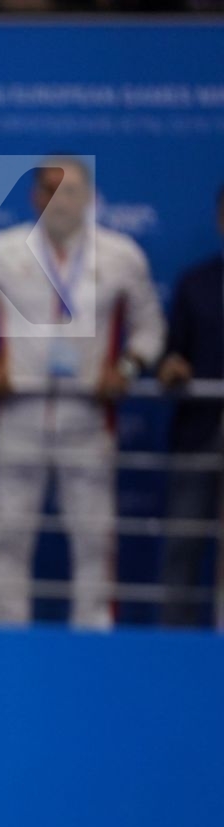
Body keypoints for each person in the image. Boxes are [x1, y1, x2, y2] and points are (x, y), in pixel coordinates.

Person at [0, 158, 164, 630]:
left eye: (70, 190)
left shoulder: (121, 254)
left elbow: (150, 329)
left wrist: (128, 368)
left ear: (89, 198)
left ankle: (93, 634)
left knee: (94, 538)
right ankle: (2, 635)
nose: (59, 200)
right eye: (49, 189)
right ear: (34, 196)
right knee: (8, 534)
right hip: (18, 413)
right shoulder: (2, 251)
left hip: (88, 417)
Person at [156, 185, 224, 628]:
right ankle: (173, 643)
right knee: (183, 544)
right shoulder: (195, 283)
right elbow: (168, 355)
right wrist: (170, 367)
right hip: (201, 431)